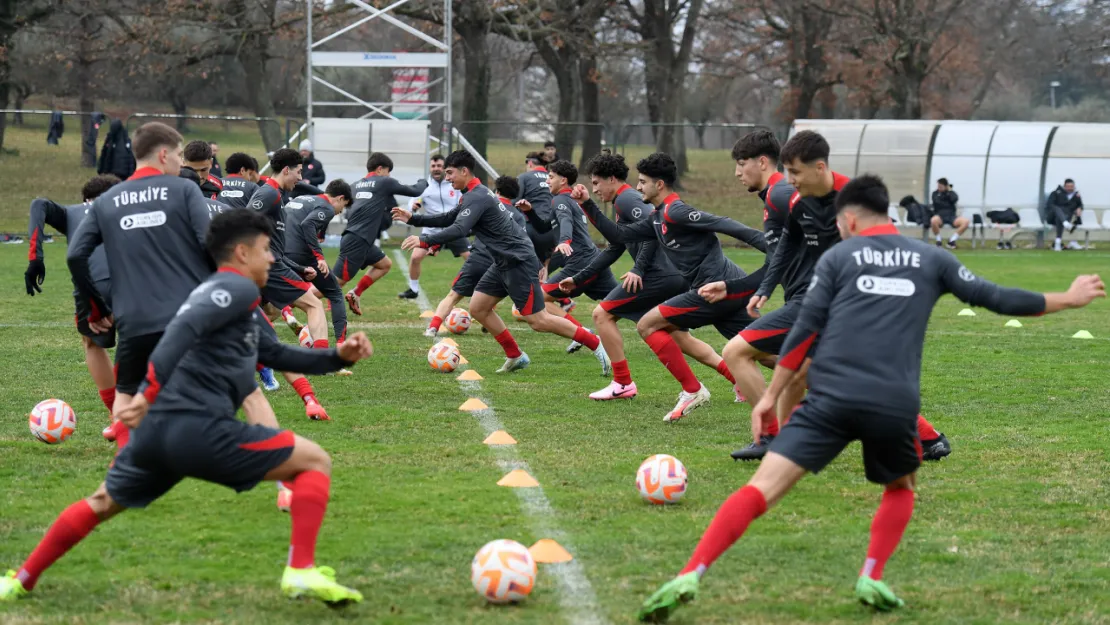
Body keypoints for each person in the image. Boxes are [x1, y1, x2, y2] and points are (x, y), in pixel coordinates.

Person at [635, 175, 1105, 623]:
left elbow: (803, 331)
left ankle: (689, 574)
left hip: (830, 396)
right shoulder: (930, 258)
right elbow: (995, 296)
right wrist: (1067, 298)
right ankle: (871, 576)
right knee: (900, 488)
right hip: (893, 403)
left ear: (851, 220)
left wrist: (770, 396)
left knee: (760, 490)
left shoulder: (839, 261)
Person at [0, 209, 376, 606]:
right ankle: (300, 570)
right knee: (314, 461)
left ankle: (20, 579)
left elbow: (276, 354)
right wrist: (147, 391)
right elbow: (183, 329)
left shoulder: (233, 299)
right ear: (242, 253)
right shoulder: (234, 288)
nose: (272, 259)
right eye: (266, 250)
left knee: (100, 503)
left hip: (158, 435)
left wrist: (339, 358)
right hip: (199, 431)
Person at [571, 152, 767, 422]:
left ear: (659, 185)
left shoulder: (676, 211)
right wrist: (587, 204)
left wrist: (772, 247)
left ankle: (692, 390)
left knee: (648, 324)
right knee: (766, 353)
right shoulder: (658, 217)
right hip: (715, 291)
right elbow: (619, 236)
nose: (637, 187)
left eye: (642, 182)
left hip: (717, 288)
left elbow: (724, 223)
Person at [392, 150, 610, 375]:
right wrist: (414, 218)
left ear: (464, 171)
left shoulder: (478, 196)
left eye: (450, 173)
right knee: (478, 308)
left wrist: (424, 240)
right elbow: (450, 218)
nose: (447, 178)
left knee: (538, 320)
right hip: (502, 261)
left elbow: (460, 229)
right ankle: (515, 355)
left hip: (518, 261)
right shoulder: (474, 194)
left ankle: (593, 341)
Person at [66, 122, 214, 438]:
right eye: (178, 154)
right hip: (183, 316)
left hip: (132, 320)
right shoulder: (186, 189)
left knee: (127, 397)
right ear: (163, 154)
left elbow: (75, 255)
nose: (181, 162)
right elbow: (210, 244)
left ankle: (125, 471)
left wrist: (96, 308)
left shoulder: (107, 200)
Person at [707, 131, 794, 453]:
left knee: (736, 351)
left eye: (742, 164)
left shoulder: (782, 194)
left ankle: (771, 437)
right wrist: (734, 287)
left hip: (815, 302)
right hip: (812, 301)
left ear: (762, 162)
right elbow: (777, 263)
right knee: (830, 379)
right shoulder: (774, 197)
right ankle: (926, 436)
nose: (737, 172)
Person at [26, 174, 122, 440]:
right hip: (133, 279)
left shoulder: (73, 212)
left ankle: (117, 414)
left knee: (91, 343)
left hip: (90, 283)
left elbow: (39, 204)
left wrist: (35, 257)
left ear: (85, 200)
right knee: (137, 342)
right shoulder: (127, 205)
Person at [517, 159, 617, 353]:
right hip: (593, 258)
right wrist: (530, 212)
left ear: (563, 180)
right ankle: (667, 320)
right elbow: (546, 227)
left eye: (551, 177)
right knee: (621, 300)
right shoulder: (569, 199)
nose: (547, 181)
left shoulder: (560, 200)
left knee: (541, 298)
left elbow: (565, 222)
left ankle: (581, 333)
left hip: (581, 261)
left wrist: (565, 240)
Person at [247, 148, 330, 350]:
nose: (300, 178)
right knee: (314, 305)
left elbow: (274, 246)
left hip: (269, 266)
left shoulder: (276, 195)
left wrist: (299, 269)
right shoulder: (269, 193)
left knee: (268, 313)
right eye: (298, 172)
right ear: (286, 170)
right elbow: (243, 220)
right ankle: (321, 359)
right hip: (270, 268)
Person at [423, 175, 519, 337]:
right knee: (489, 297)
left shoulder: (487, 206)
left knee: (453, 296)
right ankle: (489, 323)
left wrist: (437, 243)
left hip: (478, 260)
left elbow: (462, 227)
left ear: (496, 191)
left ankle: (433, 328)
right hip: (500, 263)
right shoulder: (517, 215)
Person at [338, 152, 428, 314]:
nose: (389, 175)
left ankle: (355, 293)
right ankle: (291, 303)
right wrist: (424, 181)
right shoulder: (383, 182)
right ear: (380, 169)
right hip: (357, 242)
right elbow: (415, 190)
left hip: (359, 239)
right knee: (336, 282)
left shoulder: (355, 185)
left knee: (384, 264)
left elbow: (347, 212)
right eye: (388, 171)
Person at [283, 180, 353, 346]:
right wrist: (319, 256)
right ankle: (340, 345)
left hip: (281, 254)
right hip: (301, 255)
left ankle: (285, 313)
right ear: (340, 198)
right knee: (335, 293)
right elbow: (308, 224)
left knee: (270, 303)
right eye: (343, 206)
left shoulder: (302, 199)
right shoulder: (327, 207)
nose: (340, 211)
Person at [399, 153, 466, 300]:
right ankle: (413, 289)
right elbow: (411, 203)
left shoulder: (454, 184)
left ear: (445, 168)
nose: (436, 169)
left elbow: (462, 202)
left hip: (453, 227)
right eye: (433, 166)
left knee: (471, 258)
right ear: (430, 168)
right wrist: (414, 206)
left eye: (440, 166)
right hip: (432, 229)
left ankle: (480, 289)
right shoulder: (425, 186)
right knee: (415, 257)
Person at [1044, 178, 1085, 252]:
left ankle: (1057, 244)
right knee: (1057, 209)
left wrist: (1079, 208)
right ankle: (1066, 224)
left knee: (1059, 219)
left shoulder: (1076, 195)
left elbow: (1081, 205)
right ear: (1064, 186)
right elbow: (1050, 205)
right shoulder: (1056, 193)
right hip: (1052, 217)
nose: (1070, 188)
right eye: (1068, 186)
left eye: (1071, 186)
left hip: (1065, 218)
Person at [929, 178, 967, 249]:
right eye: (938, 186)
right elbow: (937, 202)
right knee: (933, 220)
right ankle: (938, 240)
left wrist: (949, 192)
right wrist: (946, 201)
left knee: (965, 222)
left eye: (941, 186)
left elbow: (954, 199)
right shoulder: (935, 193)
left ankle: (952, 240)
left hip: (951, 216)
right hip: (940, 216)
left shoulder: (951, 193)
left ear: (946, 186)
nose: (939, 188)